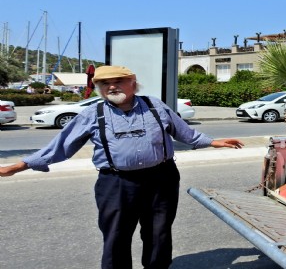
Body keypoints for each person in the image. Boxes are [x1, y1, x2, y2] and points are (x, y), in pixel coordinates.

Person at [0, 65, 244, 269]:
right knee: (116, 236)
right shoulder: (91, 114)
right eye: (104, 84)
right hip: (116, 183)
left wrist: (213, 142)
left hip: (162, 179)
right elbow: (61, 146)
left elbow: (184, 132)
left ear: (133, 83)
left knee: (158, 233)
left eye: (118, 81)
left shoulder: (155, 106)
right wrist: (20, 165)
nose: (111, 87)